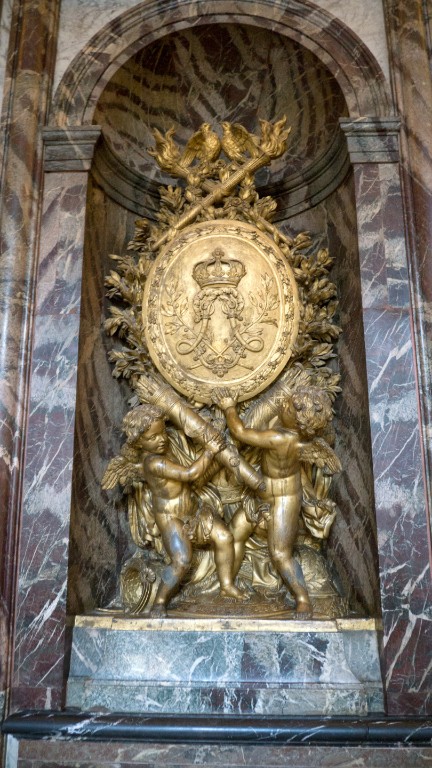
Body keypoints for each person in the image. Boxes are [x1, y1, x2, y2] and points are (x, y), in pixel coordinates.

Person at [212, 386, 338, 618]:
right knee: (235, 533)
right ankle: (227, 585)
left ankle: (302, 599)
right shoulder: (293, 436)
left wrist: (229, 407)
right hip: (261, 493)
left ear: (298, 421)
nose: (283, 405)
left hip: (284, 500)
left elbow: (240, 432)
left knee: (280, 553)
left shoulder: (280, 438)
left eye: (289, 408)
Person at [125, 404, 247, 616]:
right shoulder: (153, 463)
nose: (161, 439)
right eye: (153, 437)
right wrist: (210, 451)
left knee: (224, 537)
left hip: (193, 511)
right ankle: (160, 601)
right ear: (138, 442)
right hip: (171, 518)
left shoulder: (168, 446)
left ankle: (226, 585)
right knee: (182, 561)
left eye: (162, 432)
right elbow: (190, 474)